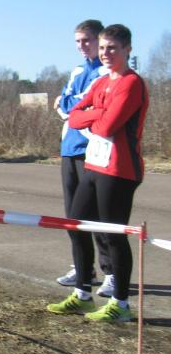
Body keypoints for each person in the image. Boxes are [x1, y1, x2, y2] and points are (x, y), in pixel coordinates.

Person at [47, 24, 149, 323]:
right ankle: (82, 294)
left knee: (112, 235)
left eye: (112, 48)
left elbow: (107, 127)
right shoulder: (101, 82)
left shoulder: (131, 83)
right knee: (75, 224)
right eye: (103, 47)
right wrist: (98, 112)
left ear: (127, 49)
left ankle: (120, 303)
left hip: (119, 169)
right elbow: (74, 116)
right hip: (93, 164)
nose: (105, 53)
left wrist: (94, 115)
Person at [52, 20, 112, 294]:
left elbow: (81, 105)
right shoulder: (77, 70)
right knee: (73, 215)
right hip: (69, 148)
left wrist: (70, 103)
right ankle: (83, 267)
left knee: (98, 214)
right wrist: (71, 103)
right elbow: (68, 104)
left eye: (86, 40)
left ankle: (110, 271)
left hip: (92, 150)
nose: (82, 46)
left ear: (99, 40)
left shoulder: (106, 72)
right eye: (78, 41)